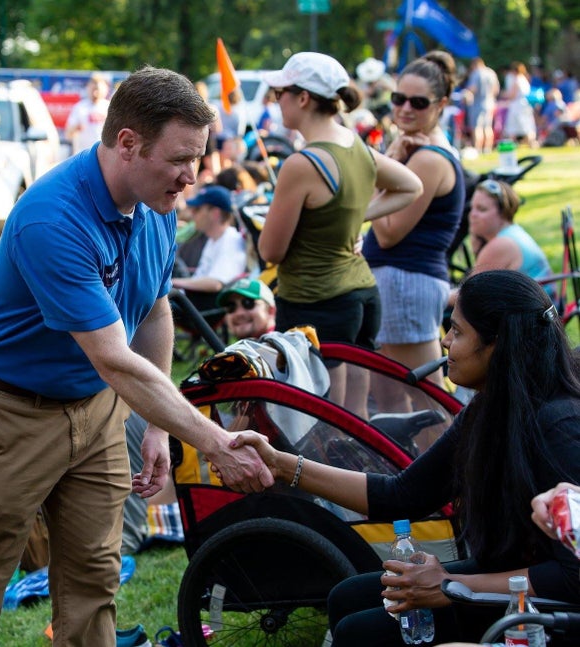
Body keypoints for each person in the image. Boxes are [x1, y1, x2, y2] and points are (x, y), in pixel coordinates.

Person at [0, 66, 274, 647]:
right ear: (128, 142)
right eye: (181, 158)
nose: (193, 176)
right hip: (7, 414)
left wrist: (158, 426)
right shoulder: (52, 217)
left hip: (97, 410)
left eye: (198, 157)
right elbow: (114, 356)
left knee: (93, 582)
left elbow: (156, 311)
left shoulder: (157, 203)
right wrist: (212, 443)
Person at [230, 270, 580, 644]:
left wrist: (451, 586)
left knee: (359, 633)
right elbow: (402, 494)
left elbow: (571, 577)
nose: (445, 341)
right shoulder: (491, 408)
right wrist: (281, 464)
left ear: (498, 345)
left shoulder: (560, 427)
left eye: (458, 332)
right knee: (347, 596)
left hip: (551, 609)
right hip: (509, 577)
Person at [256, 52, 422, 418]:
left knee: (323, 426)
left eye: (279, 92)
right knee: (357, 420)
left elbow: (271, 250)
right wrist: (356, 216)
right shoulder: (355, 145)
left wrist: (353, 215)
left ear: (302, 98)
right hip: (362, 296)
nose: (275, 100)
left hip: (316, 303)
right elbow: (410, 186)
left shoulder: (302, 164)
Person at [362, 51, 464, 397]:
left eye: (418, 102)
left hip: (405, 281)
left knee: (426, 401)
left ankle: (461, 454)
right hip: (403, 281)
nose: (405, 108)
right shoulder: (417, 152)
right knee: (395, 401)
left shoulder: (428, 159)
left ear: (441, 105)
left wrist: (383, 166)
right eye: (398, 98)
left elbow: (389, 231)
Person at [455, 179, 552, 305]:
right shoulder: (513, 232)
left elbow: (468, 295)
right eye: (471, 208)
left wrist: (440, 294)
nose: (472, 214)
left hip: (531, 319)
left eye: (482, 209)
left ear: (503, 213)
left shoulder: (501, 245)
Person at [171, 184, 248, 308]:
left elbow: (216, 283)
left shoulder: (231, 240)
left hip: (205, 307)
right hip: (193, 301)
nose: (192, 214)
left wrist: (172, 283)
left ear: (215, 213)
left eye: (197, 209)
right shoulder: (214, 238)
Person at [64, 72, 110, 155]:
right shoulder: (79, 107)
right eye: (93, 88)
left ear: (105, 89)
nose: (95, 91)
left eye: (98, 88)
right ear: (88, 88)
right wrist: (75, 128)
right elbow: (68, 133)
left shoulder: (109, 108)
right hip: (83, 154)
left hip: (104, 155)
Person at [465, 57, 500, 154]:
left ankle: (477, 149)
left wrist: (466, 94)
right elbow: (496, 90)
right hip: (490, 103)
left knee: (477, 127)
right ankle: (487, 149)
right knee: (488, 127)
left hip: (478, 103)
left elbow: (473, 88)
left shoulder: (476, 73)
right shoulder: (491, 73)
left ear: (474, 65)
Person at [502, 61, 537, 147]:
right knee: (527, 125)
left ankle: (512, 144)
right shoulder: (524, 79)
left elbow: (512, 95)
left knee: (514, 126)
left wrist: (503, 94)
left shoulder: (517, 80)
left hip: (517, 106)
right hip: (525, 105)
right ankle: (531, 143)